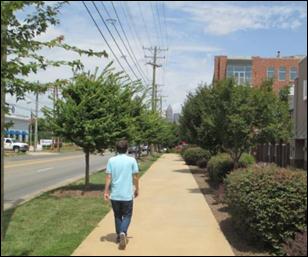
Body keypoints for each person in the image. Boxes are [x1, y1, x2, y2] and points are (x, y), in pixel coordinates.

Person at [104, 139, 139, 250]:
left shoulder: (111, 160)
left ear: (116, 149)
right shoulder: (131, 160)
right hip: (127, 194)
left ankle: (119, 236)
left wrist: (106, 191)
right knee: (127, 215)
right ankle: (123, 232)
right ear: (127, 148)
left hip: (115, 195)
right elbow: (135, 177)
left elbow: (108, 177)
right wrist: (137, 189)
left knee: (117, 215)